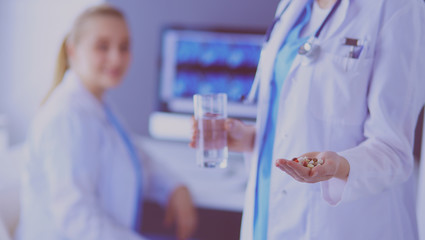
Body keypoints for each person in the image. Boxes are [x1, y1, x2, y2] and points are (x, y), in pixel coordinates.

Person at [190, 0, 425, 239]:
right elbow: (294, 119)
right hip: (266, 217)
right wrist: (251, 138)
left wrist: (340, 165)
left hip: (344, 226)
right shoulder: (292, 5)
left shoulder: (399, 7)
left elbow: (394, 152)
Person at [17, 4, 197, 240]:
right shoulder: (65, 117)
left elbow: (135, 157)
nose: (116, 58)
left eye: (124, 47)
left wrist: (175, 187)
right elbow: (76, 218)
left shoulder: (98, 105)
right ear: (73, 51)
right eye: (103, 47)